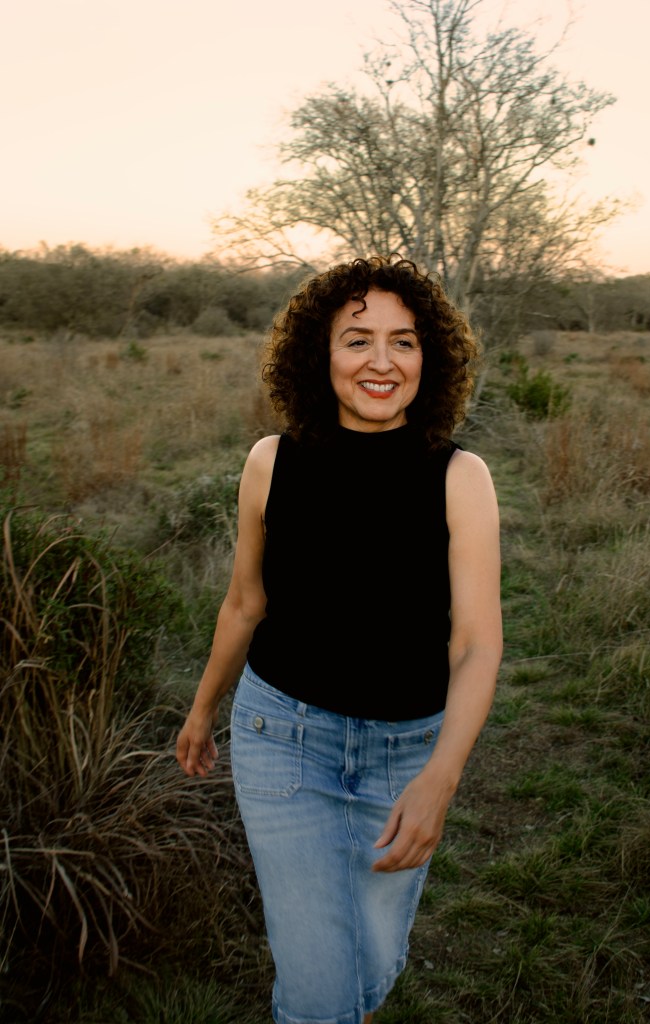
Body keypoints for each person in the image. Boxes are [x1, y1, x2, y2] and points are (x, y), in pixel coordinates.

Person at [176, 255, 502, 1024]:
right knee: (322, 991)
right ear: (319, 357)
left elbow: (476, 644)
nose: (382, 362)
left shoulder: (461, 477)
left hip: (407, 752)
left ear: (432, 357)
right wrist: (199, 711)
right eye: (358, 340)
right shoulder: (271, 462)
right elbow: (244, 603)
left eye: (405, 341)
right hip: (282, 735)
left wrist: (441, 779)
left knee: (369, 961)